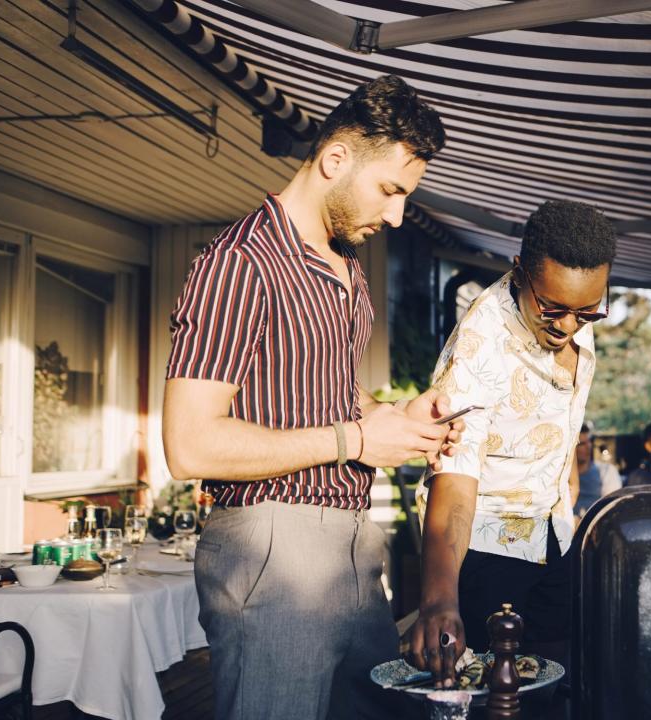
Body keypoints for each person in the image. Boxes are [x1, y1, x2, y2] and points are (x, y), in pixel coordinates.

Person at [162, 75, 460, 720]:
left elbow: (330, 401)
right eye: (390, 190)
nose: (396, 215)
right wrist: (356, 440)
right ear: (335, 159)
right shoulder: (240, 262)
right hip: (274, 549)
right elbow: (189, 445)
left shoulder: (345, 269)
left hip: (355, 548)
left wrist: (394, 420)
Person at [405, 200, 617, 687]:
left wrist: (572, 514)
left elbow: (563, 433)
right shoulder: (482, 342)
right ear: (519, 271)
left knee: (555, 687)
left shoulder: (575, 313)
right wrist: (439, 600)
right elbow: (454, 478)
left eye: (586, 311)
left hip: (554, 537)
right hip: (485, 552)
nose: (567, 325)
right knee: (489, 697)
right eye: (554, 309)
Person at [573, 422, 623, 517]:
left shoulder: (606, 471)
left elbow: (612, 507)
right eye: (582, 444)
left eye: (589, 442)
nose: (588, 447)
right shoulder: (562, 477)